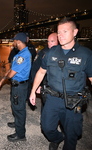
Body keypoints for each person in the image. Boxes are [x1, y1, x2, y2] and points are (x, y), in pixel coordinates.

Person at [29, 17, 92, 150]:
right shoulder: (51, 52)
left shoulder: (86, 54)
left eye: (64, 31)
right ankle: (57, 138)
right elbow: (40, 72)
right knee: (46, 127)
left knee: (72, 135)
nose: (60, 35)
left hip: (73, 101)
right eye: (58, 32)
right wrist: (33, 91)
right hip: (52, 99)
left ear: (75, 32)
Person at [0, 32, 31, 142]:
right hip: (17, 85)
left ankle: (20, 134)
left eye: (14, 41)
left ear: (19, 41)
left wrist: (4, 79)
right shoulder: (21, 53)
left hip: (19, 87)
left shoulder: (23, 56)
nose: (13, 43)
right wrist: (2, 81)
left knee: (19, 108)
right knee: (16, 106)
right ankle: (17, 123)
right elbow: (11, 70)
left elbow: (12, 73)